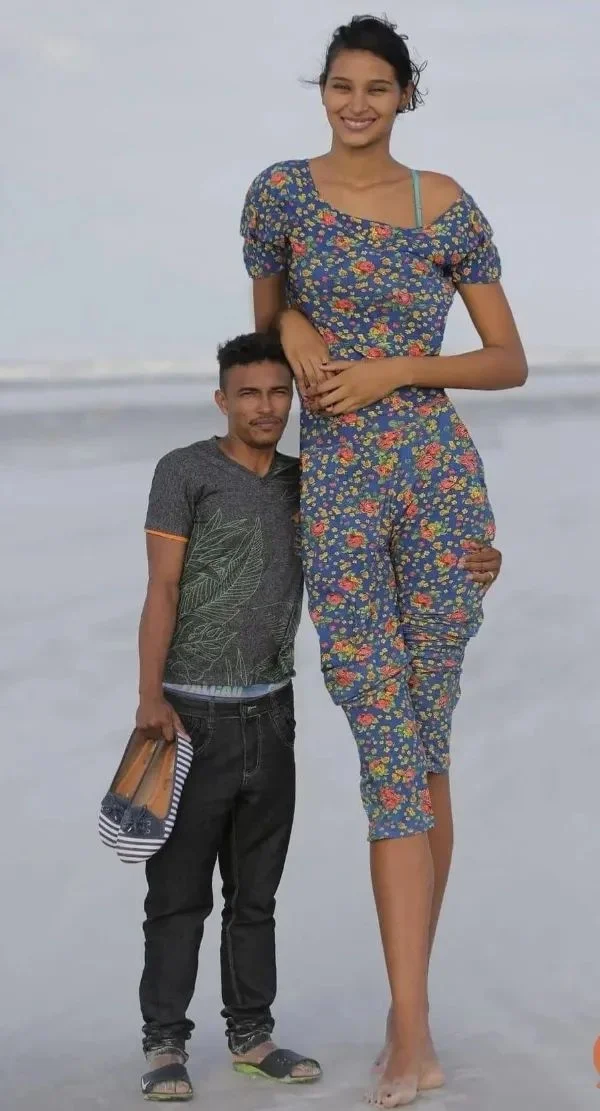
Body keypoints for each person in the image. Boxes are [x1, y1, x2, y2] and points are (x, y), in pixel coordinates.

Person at [240, 15, 527, 1108]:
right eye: (340, 85)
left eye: (377, 87)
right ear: (322, 91)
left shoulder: (445, 205)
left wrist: (399, 366)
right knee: (386, 744)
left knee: (425, 742)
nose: (356, 103)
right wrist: (298, 331)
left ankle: (412, 1023)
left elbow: (507, 359)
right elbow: (265, 339)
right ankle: (412, 1026)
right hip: (342, 493)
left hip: (442, 486)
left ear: (407, 95)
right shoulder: (279, 196)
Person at [134, 330, 503, 1101]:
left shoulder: (310, 484)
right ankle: (165, 1043)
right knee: (178, 891)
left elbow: (385, 534)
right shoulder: (184, 471)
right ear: (222, 399)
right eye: (249, 393)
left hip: (272, 710)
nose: (265, 407)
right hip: (194, 709)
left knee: (256, 892)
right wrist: (150, 697)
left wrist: (472, 555)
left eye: (279, 393)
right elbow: (161, 587)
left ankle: (251, 1034)